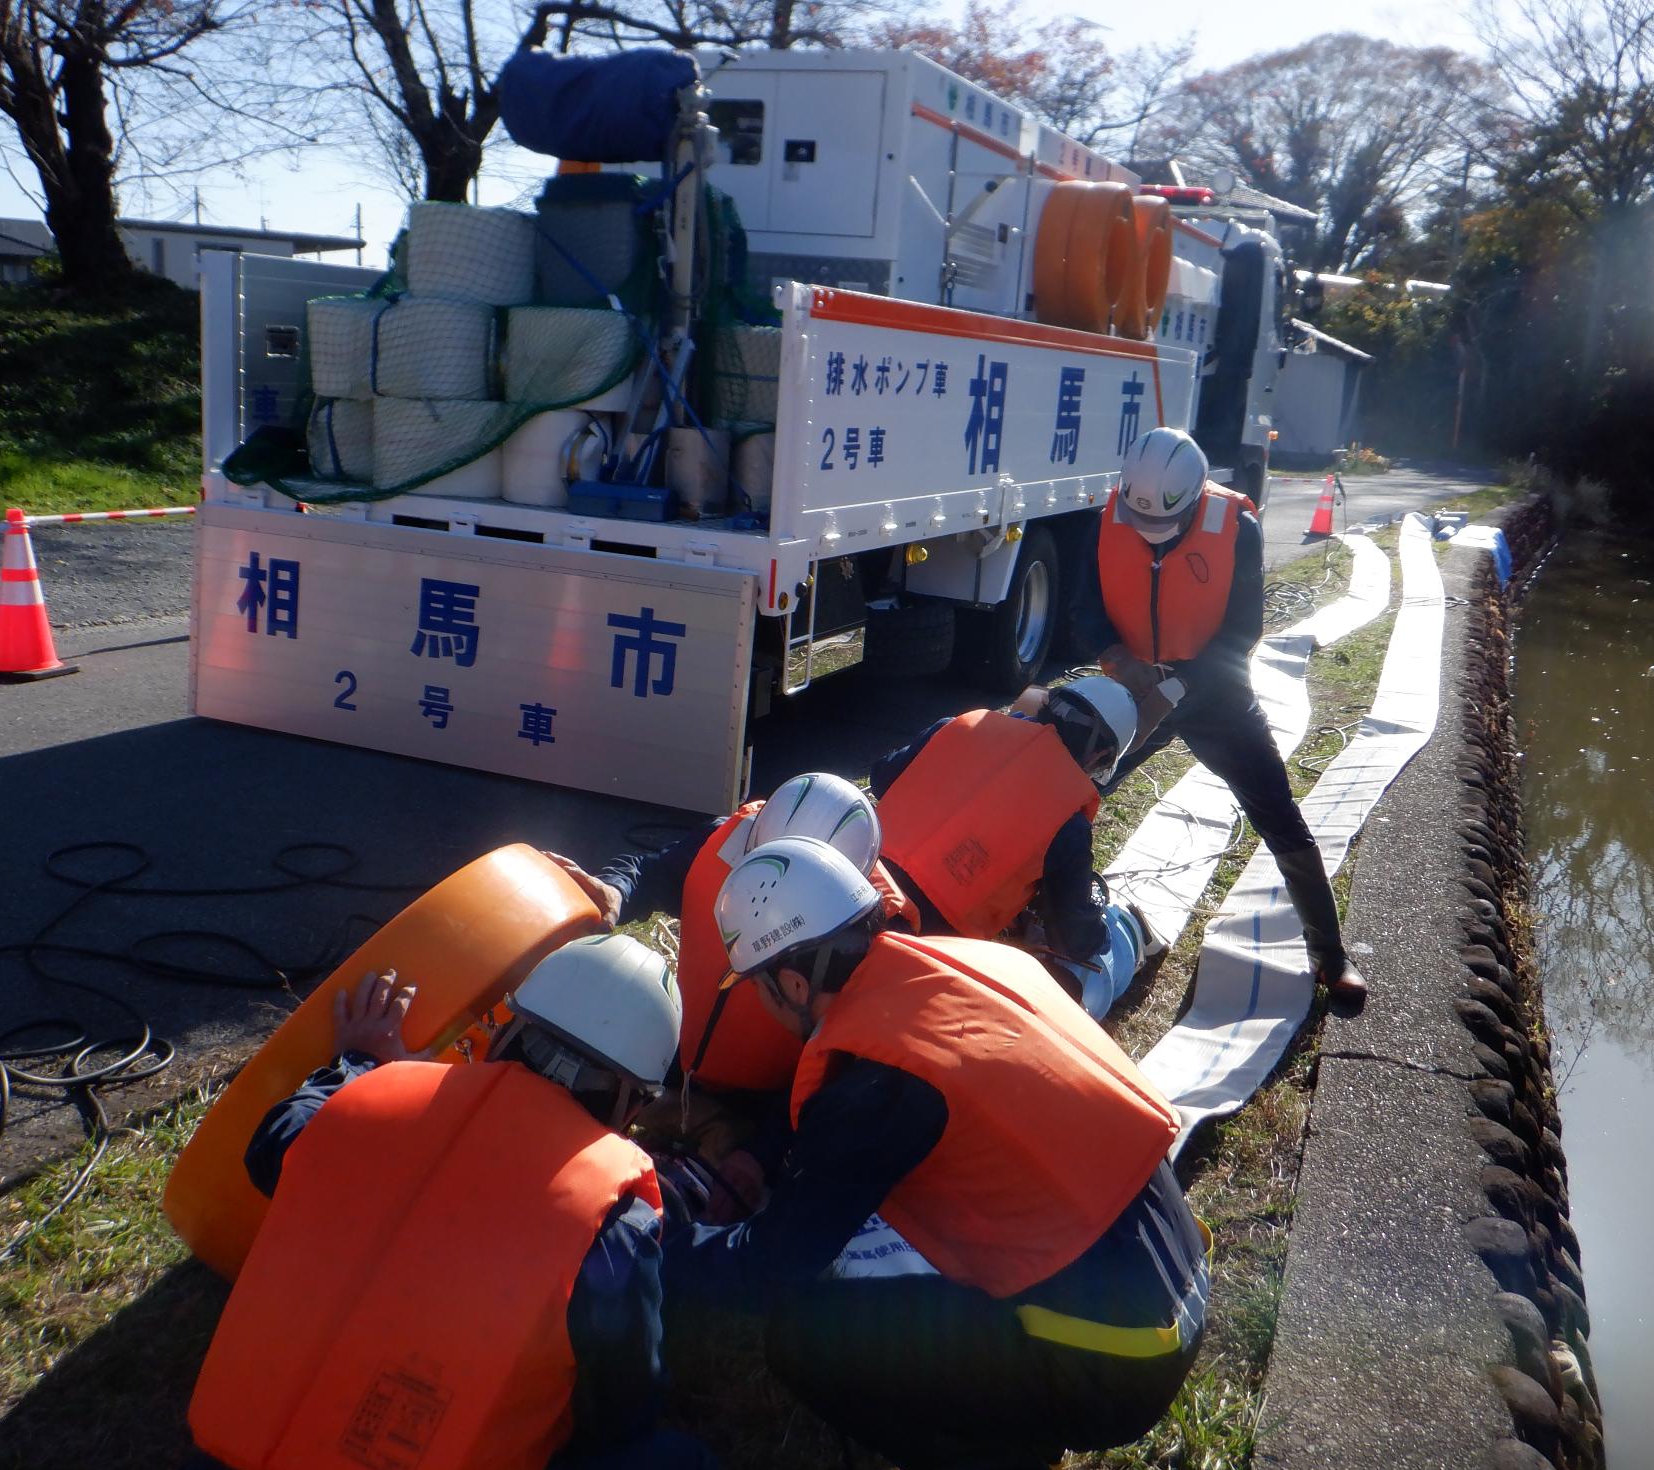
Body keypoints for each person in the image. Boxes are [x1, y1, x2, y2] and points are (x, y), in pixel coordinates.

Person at [665, 837, 1210, 1470]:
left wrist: (666, 1248)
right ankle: (1020, 1416)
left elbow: (772, 1265)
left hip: (1122, 1361)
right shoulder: (967, 963)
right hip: (1175, 1278)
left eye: (759, 990)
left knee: (806, 1336)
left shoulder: (876, 1087)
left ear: (793, 982)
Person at [172, 937, 722, 1470]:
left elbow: (274, 1146)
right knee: (683, 1469)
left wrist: (361, 1062)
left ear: (508, 1030)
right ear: (633, 1106)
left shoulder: (366, 1101)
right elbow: (623, 1407)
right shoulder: (611, 1221)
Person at [1073, 425, 1369, 1005]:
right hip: (1133, 686)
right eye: (1144, 527)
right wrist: (1118, 661)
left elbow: (1241, 633)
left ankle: (1331, 957)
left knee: (1278, 813)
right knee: (1071, 792)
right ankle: (1062, 915)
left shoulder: (1237, 528)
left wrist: (1179, 688)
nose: (1152, 539)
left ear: (1196, 497)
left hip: (1216, 694)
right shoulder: (1111, 516)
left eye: (1165, 528)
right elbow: (1084, 609)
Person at [548, 773, 914, 1215]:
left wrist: (761, 1153)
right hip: (670, 1057)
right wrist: (616, 891)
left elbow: (840, 1066)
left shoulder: (874, 930)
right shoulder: (734, 831)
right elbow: (649, 870)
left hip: (761, 1104)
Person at [870, 677, 1153, 1019]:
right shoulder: (1067, 824)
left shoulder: (963, 725)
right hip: (921, 946)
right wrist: (1102, 930)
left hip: (857, 875)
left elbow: (883, 777)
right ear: (1101, 755)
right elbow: (1074, 940)